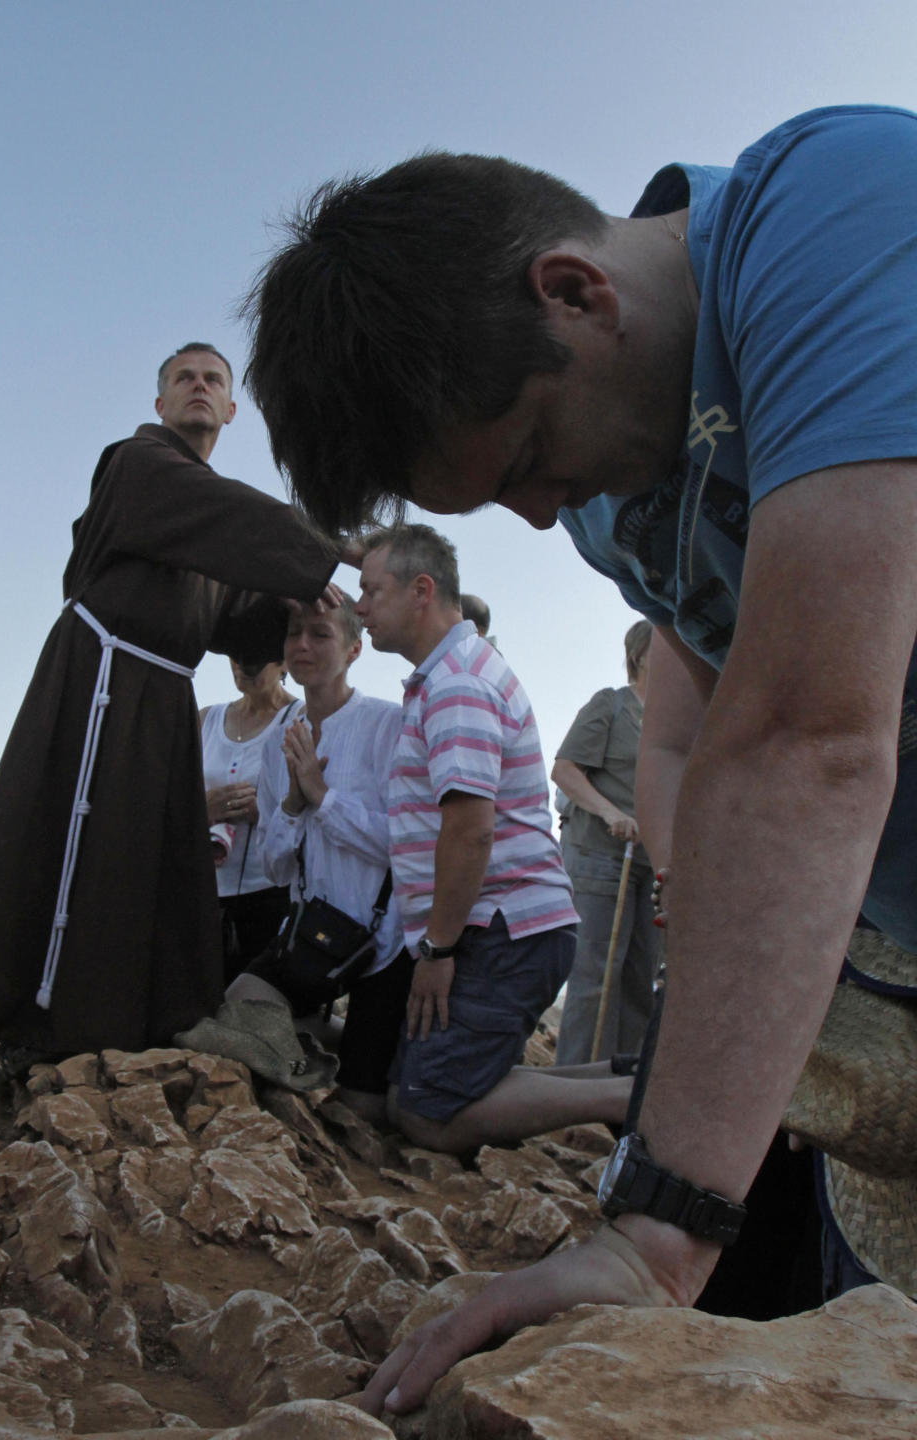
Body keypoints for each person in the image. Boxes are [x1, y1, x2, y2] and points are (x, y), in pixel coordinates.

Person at [242, 105, 917, 1414]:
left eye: (531, 461)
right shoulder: (613, 493)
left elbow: (803, 741)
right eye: (493, 501)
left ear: (576, 292)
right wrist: (705, 898)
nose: (545, 514)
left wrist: (656, 1229)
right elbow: (690, 733)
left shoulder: (835, 216)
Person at [0, 343, 347, 1066]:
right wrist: (320, 550)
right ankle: (35, 1016)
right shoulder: (137, 466)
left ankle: (119, 1019)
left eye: (214, 382)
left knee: (139, 860)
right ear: (160, 403)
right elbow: (215, 511)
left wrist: (295, 601)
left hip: (159, 699)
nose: (198, 388)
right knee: (71, 846)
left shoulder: (214, 528)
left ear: (231, 410)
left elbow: (240, 618)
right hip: (96, 684)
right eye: (184, 379)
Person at [358, 525, 635, 1154]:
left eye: (371, 590)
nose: (359, 605)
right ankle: (625, 1077)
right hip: (503, 927)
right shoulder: (453, 671)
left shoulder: (456, 682)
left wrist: (437, 952)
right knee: (416, 1092)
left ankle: (631, 1099)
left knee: (426, 1114)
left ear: (421, 591)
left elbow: (470, 830)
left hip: (501, 931)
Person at [232, 594, 412, 1122]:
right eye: (294, 634)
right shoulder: (277, 741)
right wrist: (291, 802)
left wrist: (321, 796)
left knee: (362, 1111)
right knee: (239, 1011)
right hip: (312, 935)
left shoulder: (389, 725)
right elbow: (276, 867)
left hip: (386, 943)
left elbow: (407, 845)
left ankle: (370, 1046)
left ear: (355, 648)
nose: (302, 645)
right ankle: (340, 1038)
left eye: (320, 633)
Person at [552, 619, 656, 1062]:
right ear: (640, 656)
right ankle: (573, 1090)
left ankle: (618, 1093)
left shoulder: (680, 721)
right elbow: (565, 769)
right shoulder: (610, 705)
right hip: (599, 855)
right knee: (595, 975)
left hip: (652, 864)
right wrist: (610, 811)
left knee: (640, 980)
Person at [200, 657, 301, 983]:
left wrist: (267, 811)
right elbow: (164, 803)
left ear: (283, 660)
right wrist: (203, 808)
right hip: (202, 894)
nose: (244, 661)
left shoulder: (302, 720)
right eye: (235, 651)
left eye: (257, 650)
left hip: (272, 893)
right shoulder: (206, 720)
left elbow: (317, 808)